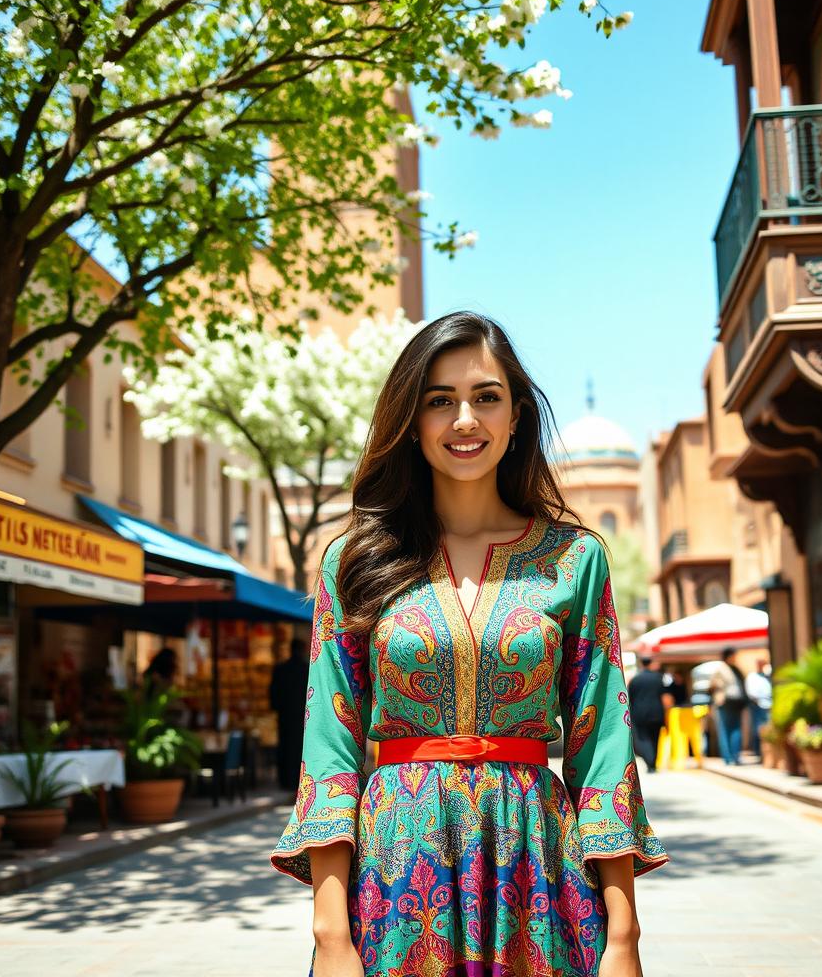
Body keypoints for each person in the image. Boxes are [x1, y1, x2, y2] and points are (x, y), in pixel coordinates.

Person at [270, 312, 668, 977]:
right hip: (394, 875)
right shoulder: (355, 562)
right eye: (439, 401)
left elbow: (603, 751)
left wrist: (624, 936)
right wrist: (331, 933)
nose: (464, 419)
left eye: (486, 397)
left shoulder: (573, 559)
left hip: (537, 871)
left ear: (515, 417)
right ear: (411, 420)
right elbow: (329, 752)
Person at [269, 637, 310, 797]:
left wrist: (277, 707)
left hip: (285, 715)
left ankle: (285, 780)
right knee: (299, 748)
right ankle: (296, 780)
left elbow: (273, 693)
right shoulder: (306, 669)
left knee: (284, 746)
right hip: (301, 715)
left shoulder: (280, 669)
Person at [629, 657, 672, 772]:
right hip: (656, 712)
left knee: (643, 738)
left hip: (639, 713)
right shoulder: (658, 678)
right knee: (655, 738)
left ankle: (649, 761)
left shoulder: (635, 679)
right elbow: (665, 697)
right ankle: (653, 763)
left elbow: (630, 698)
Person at [709, 647, 750, 765]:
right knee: (725, 729)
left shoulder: (737, 669)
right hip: (724, 702)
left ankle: (736, 755)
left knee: (736, 729)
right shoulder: (720, 669)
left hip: (737, 702)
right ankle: (728, 757)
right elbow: (712, 686)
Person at [745, 658, 773, 753]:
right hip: (757, 705)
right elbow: (752, 693)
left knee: (767, 728)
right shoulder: (753, 677)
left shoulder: (767, 676)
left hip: (768, 705)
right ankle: (758, 751)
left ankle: (765, 751)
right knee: (757, 728)